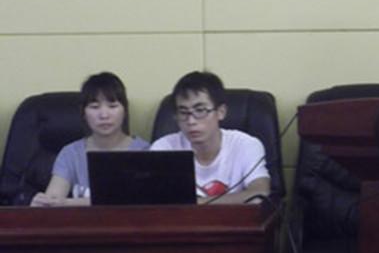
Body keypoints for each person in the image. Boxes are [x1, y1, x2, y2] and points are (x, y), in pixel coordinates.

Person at [150, 71, 270, 204]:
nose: (191, 121)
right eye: (183, 112)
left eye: (200, 110)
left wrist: (199, 204)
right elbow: (153, 201)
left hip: (235, 218)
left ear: (221, 112)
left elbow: (259, 193)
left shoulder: (245, 145)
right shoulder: (164, 148)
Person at [30, 72, 149, 207]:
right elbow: (53, 201)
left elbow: (138, 202)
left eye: (112, 106)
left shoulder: (145, 152)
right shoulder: (71, 154)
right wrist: (42, 204)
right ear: (83, 113)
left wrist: (67, 203)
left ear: (125, 111)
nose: (104, 115)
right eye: (94, 107)